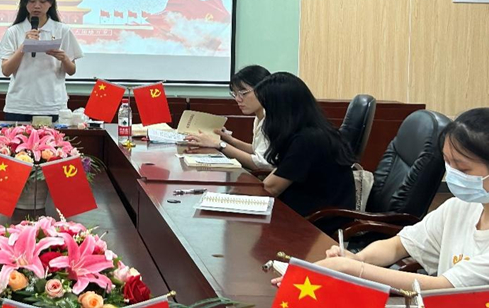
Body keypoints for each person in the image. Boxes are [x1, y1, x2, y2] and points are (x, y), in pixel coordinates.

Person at [277, 107, 489, 291]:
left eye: (462, 168)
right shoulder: (458, 207)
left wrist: (352, 269)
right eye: (447, 162)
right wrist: (358, 258)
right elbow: (398, 246)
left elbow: (443, 286)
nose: (452, 174)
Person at [255, 72, 356, 231]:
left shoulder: (308, 140)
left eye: (267, 108)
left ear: (281, 109)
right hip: (304, 215)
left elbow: (271, 188)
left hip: (317, 223)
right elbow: (279, 175)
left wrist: (234, 200)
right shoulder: (310, 132)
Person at [0, 0, 83, 122]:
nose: (37, 6)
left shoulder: (62, 30)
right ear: (24, 2)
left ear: (51, 2)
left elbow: (72, 70)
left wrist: (64, 59)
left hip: (52, 106)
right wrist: (24, 46)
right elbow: (6, 70)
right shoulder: (14, 31)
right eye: (31, 1)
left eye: (42, 1)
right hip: (19, 106)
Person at [185, 65, 272, 171]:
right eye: (235, 94)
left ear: (263, 90)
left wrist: (219, 144)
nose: (238, 99)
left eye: (243, 93)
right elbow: (257, 150)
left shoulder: (272, 118)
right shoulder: (259, 116)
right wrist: (230, 140)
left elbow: (261, 164)